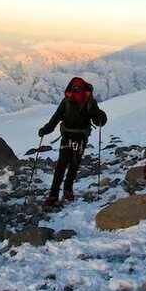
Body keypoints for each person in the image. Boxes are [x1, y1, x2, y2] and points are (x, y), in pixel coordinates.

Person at [38, 77, 107, 206]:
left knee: (63, 165)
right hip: (81, 137)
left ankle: (54, 195)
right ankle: (67, 190)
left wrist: (46, 129)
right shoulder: (89, 102)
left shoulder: (68, 100)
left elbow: (57, 117)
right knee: (73, 164)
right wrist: (101, 117)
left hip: (68, 136)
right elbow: (97, 121)